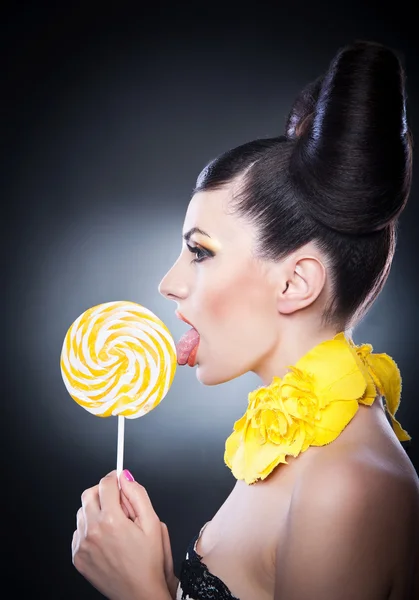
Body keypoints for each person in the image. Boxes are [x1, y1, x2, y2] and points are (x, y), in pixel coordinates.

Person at [72, 40, 419, 600]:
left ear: (294, 283)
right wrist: (161, 579)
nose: (169, 283)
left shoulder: (347, 484)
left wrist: (139, 594)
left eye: (201, 252)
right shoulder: (292, 443)